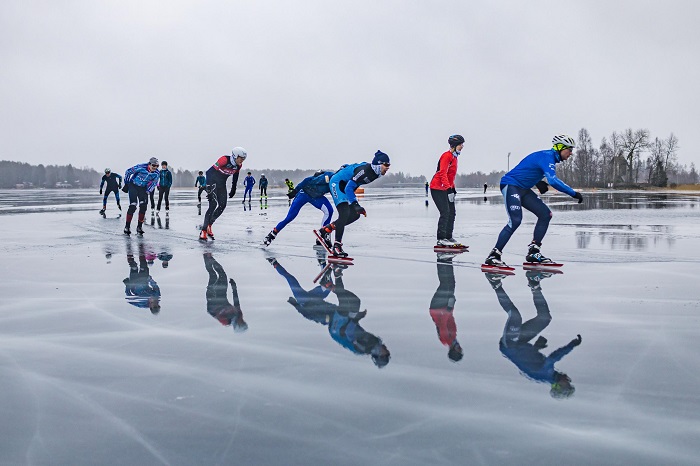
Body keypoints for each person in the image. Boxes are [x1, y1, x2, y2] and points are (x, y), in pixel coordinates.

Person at [267, 258, 390, 367]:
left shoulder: (365, 348)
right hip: (333, 316)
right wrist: (356, 317)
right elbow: (355, 329)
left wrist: (354, 317)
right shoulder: (374, 343)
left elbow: (348, 332)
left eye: (386, 354)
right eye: (387, 353)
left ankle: (273, 262)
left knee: (291, 279)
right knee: (341, 293)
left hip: (335, 326)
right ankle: (325, 263)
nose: (387, 351)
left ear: (379, 355)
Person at [484, 135, 584, 267]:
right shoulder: (547, 157)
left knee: (545, 214)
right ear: (560, 148)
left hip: (524, 188)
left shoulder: (548, 158)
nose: (571, 153)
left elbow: (528, 167)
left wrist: (538, 182)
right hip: (511, 185)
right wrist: (573, 193)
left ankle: (534, 251)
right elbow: (553, 180)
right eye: (569, 150)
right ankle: (494, 255)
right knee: (515, 221)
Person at [485, 270, 581, 398]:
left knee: (515, 316)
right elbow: (526, 363)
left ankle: (495, 283)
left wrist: (572, 345)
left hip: (510, 345)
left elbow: (554, 357)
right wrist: (536, 348)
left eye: (567, 385)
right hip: (521, 343)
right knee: (545, 318)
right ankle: (534, 285)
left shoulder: (546, 374)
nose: (569, 380)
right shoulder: (544, 376)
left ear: (558, 385)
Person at [317, 150, 391, 257]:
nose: (388, 167)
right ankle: (337, 246)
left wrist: (356, 206)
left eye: (389, 165)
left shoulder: (376, 173)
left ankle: (325, 230)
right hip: (337, 183)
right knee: (344, 213)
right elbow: (349, 188)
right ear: (379, 164)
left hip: (346, 186)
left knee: (355, 215)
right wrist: (355, 204)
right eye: (386, 164)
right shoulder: (365, 171)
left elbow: (352, 182)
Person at [264, 170, 334, 247]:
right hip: (304, 194)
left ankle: (323, 233)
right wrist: (295, 191)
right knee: (289, 217)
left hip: (315, 197)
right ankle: (272, 234)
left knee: (329, 211)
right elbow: (304, 182)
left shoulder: (334, 181)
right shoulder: (315, 179)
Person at [199, 147, 247, 241]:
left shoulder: (238, 166)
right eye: (241, 158)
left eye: (244, 159)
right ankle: (203, 230)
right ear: (235, 156)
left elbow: (235, 176)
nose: (242, 161)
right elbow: (209, 172)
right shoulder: (224, 159)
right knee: (213, 205)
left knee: (222, 205)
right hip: (212, 182)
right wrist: (208, 185)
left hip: (221, 184)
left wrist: (234, 188)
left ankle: (210, 225)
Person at [430, 134, 464, 247]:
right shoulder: (446, 156)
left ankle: (448, 236)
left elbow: (451, 176)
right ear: (454, 146)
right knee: (445, 212)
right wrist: (448, 189)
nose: (462, 147)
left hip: (447, 188)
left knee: (452, 212)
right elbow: (442, 173)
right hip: (437, 188)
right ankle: (441, 238)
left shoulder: (454, 158)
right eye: (460, 145)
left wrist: (452, 189)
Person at [429, 253, 463, 362]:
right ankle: (447, 261)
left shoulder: (445, 339)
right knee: (450, 284)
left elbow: (443, 324)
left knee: (446, 284)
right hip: (443, 308)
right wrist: (451, 307)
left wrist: (449, 308)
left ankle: (442, 260)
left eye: (459, 350)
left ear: (453, 350)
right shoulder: (452, 339)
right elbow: (451, 320)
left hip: (438, 308)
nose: (460, 348)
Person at [203, 253, 247, 332]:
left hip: (212, 299)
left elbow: (210, 311)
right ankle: (210, 257)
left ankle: (206, 257)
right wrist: (234, 286)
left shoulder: (226, 321)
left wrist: (210, 295)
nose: (242, 320)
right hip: (222, 295)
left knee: (213, 276)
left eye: (242, 323)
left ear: (237, 324)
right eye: (243, 322)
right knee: (222, 273)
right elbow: (236, 300)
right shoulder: (239, 314)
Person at [122, 157, 160, 235]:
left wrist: (148, 191)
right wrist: (126, 183)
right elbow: (128, 171)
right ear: (149, 164)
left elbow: (154, 183)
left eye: (157, 166)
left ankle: (139, 227)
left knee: (143, 206)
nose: (155, 168)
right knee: (133, 205)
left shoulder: (156, 173)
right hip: (133, 186)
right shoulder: (141, 167)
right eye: (153, 165)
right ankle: (127, 226)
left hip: (143, 188)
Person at [123, 241, 161, 314]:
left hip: (134, 283)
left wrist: (128, 286)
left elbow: (129, 298)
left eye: (154, 307)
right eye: (157, 306)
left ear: (151, 307)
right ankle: (140, 245)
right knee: (143, 264)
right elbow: (155, 286)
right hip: (144, 280)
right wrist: (150, 279)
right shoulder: (157, 296)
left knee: (133, 266)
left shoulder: (141, 304)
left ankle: (128, 247)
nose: (156, 305)